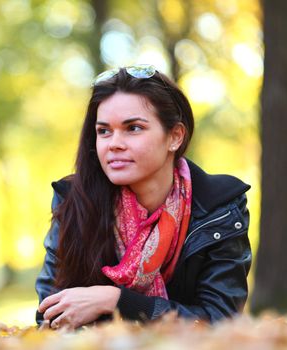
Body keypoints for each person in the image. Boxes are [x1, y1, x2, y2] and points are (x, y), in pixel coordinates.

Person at [35, 65, 252, 329]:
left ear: (175, 136)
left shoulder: (218, 207)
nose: (114, 143)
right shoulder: (74, 200)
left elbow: (220, 322)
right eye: (104, 131)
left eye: (133, 128)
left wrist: (117, 301)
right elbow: (49, 317)